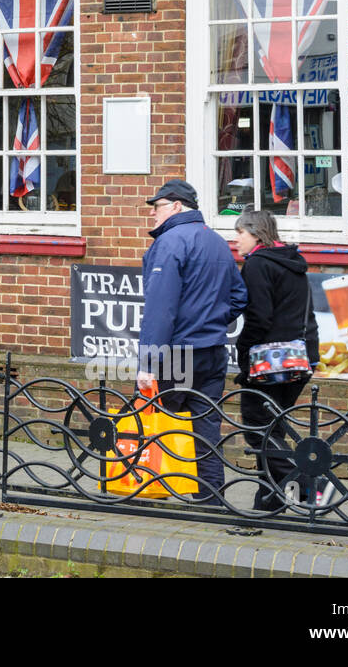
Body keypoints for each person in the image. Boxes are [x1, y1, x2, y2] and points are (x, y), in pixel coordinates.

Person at [136, 179, 248, 505]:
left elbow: (160, 310)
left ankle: (146, 492)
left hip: (178, 353)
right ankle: (210, 500)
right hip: (213, 350)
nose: (153, 214)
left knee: (155, 418)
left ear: (176, 207)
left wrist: (147, 365)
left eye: (157, 207)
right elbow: (239, 297)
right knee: (206, 428)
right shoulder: (216, 242)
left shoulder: (170, 243)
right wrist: (211, 321)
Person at [233, 208, 320, 511]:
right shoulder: (294, 263)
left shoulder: (258, 265)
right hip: (299, 360)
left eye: (240, 233)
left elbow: (258, 317)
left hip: (268, 363)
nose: (236, 241)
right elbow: (306, 313)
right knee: (275, 430)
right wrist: (313, 355)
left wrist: (242, 350)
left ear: (255, 233)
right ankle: (268, 503)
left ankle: (312, 492)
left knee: (259, 428)